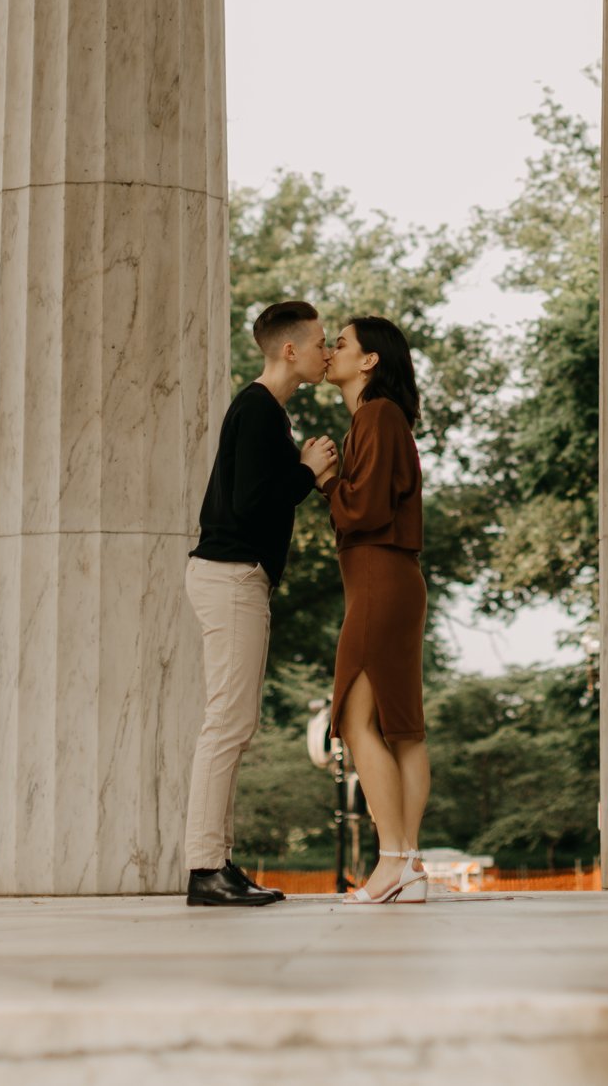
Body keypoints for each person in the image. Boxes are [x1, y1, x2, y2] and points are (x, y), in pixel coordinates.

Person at [182, 300, 339, 908]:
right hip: (230, 576)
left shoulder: (266, 412)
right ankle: (204, 868)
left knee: (233, 724)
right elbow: (251, 504)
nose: (328, 352)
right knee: (227, 724)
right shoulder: (257, 410)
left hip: (235, 577)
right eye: (323, 341)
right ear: (290, 350)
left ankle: (217, 860)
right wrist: (305, 472)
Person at [322, 315, 432, 905]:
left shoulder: (377, 415)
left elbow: (362, 510)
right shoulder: (380, 418)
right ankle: (407, 865)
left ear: (368, 361)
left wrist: (325, 479)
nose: (330, 350)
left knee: (354, 719)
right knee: (402, 729)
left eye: (340, 343)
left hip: (378, 575)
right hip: (390, 576)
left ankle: (394, 861)